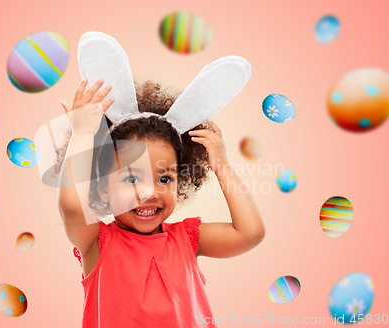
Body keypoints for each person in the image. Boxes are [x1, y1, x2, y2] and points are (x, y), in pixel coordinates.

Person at [56, 76, 265, 327]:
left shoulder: (187, 239)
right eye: (132, 178)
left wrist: (222, 167)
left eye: (164, 179)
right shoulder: (95, 243)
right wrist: (82, 134)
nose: (150, 192)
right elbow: (70, 205)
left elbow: (250, 232)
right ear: (102, 189)